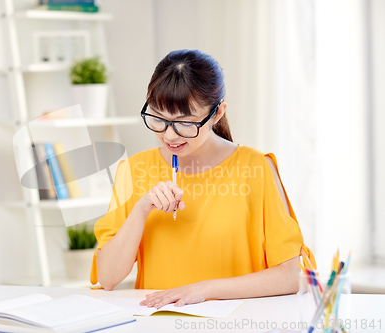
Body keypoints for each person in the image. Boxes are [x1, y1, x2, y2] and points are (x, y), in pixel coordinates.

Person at [89, 49, 317, 308]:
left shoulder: (256, 168)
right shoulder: (133, 170)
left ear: (217, 113)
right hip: (159, 324)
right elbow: (107, 278)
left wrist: (204, 289)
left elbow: (291, 276)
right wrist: (141, 209)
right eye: (158, 118)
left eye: (185, 123)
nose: (170, 135)